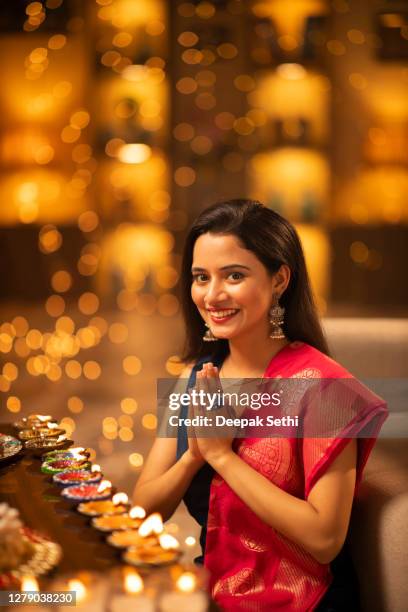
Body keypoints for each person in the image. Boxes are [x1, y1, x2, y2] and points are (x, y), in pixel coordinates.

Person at [133, 199, 388, 611]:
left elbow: (325, 540)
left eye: (234, 275)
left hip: (303, 601)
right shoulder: (194, 377)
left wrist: (223, 457)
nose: (212, 295)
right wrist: (194, 457)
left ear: (279, 279)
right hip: (212, 593)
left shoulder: (326, 390)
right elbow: (139, 513)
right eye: (201, 277)